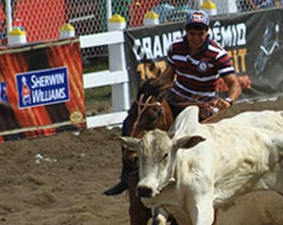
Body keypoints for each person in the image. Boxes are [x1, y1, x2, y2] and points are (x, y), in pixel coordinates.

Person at [104, 10, 242, 196]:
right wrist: (158, 89)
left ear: (207, 32)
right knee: (132, 120)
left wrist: (228, 101)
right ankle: (125, 177)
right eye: (192, 33)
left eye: (200, 33)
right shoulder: (176, 47)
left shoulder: (217, 54)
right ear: (186, 31)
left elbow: (235, 84)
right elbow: (169, 73)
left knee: (197, 143)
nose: (196, 38)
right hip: (175, 98)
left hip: (201, 106)